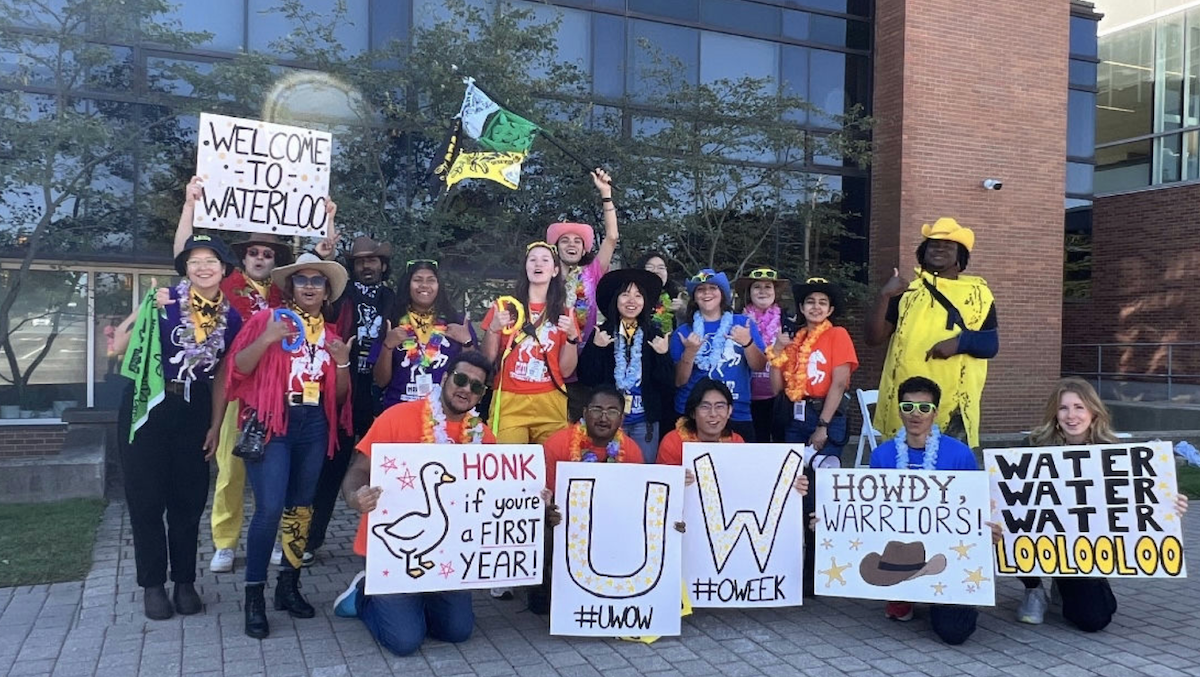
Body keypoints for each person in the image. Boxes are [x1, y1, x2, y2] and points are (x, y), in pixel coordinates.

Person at [333, 351, 497, 656]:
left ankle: (415, 601)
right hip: (393, 556)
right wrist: (355, 497)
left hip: (448, 557)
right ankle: (363, 595)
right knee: (405, 642)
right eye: (460, 380)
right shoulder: (397, 417)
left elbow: (494, 495)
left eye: (477, 387)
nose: (466, 390)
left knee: (457, 631)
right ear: (445, 379)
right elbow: (357, 471)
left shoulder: (483, 437)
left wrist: (530, 498)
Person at [226, 253, 353, 639]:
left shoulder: (331, 337)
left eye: (318, 281)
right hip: (273, 422)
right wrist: (266, 340)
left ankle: (288, 585)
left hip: (313, 425)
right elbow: (237, 368)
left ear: (327, 290)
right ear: (291, 287)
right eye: (303, 280)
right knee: (269, 509)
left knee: (301, 509)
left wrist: (344, 363)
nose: (311, 286)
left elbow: (340, 400)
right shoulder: (268, 320)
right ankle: (254, 597)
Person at [119, 228, 242, 621]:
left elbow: (223, 374)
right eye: (195, 262)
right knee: (146, 499)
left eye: (211, 261)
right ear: (185, 269)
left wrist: (216, 423)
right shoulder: (165, 300)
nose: (203, 267)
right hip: (149, 404)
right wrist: (143, 308)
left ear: (223, 269)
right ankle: (153, 585)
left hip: (195, 406)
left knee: (188, 500)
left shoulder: (233, 316)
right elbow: (118, 346)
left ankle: (185, 581)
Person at [1005, 377, 1190, 630]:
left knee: (1095, 619)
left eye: (1079, 407)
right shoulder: (1032, 446)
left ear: (1093, 411)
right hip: (1044, 538)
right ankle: (1033, 588)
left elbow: (1134, 500)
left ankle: (1074, 579)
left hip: (1082, 547)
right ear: (1054, 413)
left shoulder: (1113, 450)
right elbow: (1010, 498)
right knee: (1006, 524)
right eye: (1063, 408)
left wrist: (1167, 505)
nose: (1071, 415)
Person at [303, 236, 398, 568]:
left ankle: (388, 543)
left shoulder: (394, 299)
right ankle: (310, 539)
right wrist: (317, 252)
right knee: (330, 469)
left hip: (382, 394)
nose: (367, 266)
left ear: (383, 266)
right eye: (360, 262)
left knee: (387, 471)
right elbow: (305, 283)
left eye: (373, 261)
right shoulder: (341, 295)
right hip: (345, 391)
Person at [866, 217, 998, 448]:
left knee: (952, 474)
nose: (939, 248)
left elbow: (990, 344)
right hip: (907, 404)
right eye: (933, 244)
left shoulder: (979, 295)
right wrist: (884, 296)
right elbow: (873, 338)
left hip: (954, 404)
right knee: (903, 473)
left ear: (960, 258)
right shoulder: (906, 293)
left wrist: (959, 343)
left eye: (948, 245)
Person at [867, 376, 980, 645]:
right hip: (901, 548)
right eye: (908, 407)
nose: (915, 414)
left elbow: (974, 507)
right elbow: (870, 512)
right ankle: (904, 591)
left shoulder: (960, 455)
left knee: (955, 633)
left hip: (949, 553)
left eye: (924, 408)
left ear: (936, 413)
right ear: (899, 411)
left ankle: (936, 595)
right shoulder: (882, 456)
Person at [208, 230, 293, 574]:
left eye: (268, 254)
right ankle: (225, 542)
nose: (260, 258)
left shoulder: (284, 293)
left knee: (273, 468)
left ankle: (273, 536)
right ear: (243, 259)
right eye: (254, 253)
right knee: (231, 470)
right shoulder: (224, 288)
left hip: (274, 391)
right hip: (235, 389)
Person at [536, 385, 647, 613]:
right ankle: (543, 587)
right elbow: (543, 495)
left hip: (612, 527)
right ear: (585, 413)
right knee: (542, 530)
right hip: (567, 525)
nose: (604, 417)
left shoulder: (632, 451)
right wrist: (548, 512)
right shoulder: (558, 444)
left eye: (612, 411)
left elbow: (637, 504)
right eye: (597, 409)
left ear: (621, 417)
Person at [481, 241, 580, 444]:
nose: (538, 264)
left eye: (545, 260)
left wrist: (571, 338)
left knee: (552, 466)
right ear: (525, 268)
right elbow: (487, 359)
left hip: (550, 399)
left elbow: (566, 371)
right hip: (509, 399)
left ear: (554, 271)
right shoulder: (504, 307)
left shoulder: (566, 313)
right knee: (509, 466)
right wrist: (493, 329)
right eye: (532, 260)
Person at [578, 268, 675, 462]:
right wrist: (597, 348)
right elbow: (586, 378)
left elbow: (667, 385)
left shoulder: (654, 335)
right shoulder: (602, 333)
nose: (632, 301)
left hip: (644, 422)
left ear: (645, 302)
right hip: (608, 422)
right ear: (616, 299)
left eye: (638, 295)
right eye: (625, 294)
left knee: (642, 473)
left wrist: (663, 356)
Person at [548, 168, 619, 420]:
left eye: (577, 241)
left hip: (583, 366)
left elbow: (611, 238)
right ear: (554, 248)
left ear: (584, 248)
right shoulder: (545, 276)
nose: (571, 244)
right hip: (548, 366)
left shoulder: (592, 273)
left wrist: (606, 194)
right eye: (564, 240)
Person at [769, 277, 858, 463]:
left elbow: (840, 383)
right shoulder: (795, 341)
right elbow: (777, 389)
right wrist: (776, 351)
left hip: (826, 415)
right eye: (810, 302)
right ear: (802, 308)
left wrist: (823, 425)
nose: (816, 307)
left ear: (830, 310)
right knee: (794, 478)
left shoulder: (838, 334)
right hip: (796, 416)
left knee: (822, 480)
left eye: (822, 302)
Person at [670, 269, 766, 441]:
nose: (707, 293)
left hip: (737, 411)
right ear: (694, 297)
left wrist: (747, 343)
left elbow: (759, 366)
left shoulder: (744, 324)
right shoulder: (683, 332)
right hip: (692, 413)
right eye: (701, 289)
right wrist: (690, 353)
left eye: (713, 288)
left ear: (722, 294)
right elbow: (679, 381)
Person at [370, 259, 475, 410]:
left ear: (439, 286)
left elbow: (472, 376)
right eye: (417, 280)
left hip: (444, 412)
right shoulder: (393, 322)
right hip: (398, 410)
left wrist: (467, 342)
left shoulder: (456, 323)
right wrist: (387, 347)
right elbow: (380, 381)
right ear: (408, 285)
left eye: (431, 280)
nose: (424, 285)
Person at [735, 267, 794, 443]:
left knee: (780, 447)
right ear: (749, 292)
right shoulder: (737, 321)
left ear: (775, 292)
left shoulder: (788, 322)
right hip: (748, 398)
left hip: (779, 397)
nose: (762, 291)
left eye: (768, 287)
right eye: (757, 287)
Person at [657, 378, 744, 466]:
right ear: (693, 412)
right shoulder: (673, 442)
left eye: (719, 406)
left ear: (729, 411)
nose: (713, 414)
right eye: (705, 407)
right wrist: (680, 476)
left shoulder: (736, 442)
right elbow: (665, 477)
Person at [637, 250, 687, 335]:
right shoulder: (632, 298)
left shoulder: (677, 296)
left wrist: (682, 312)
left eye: (661, 268)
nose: (656, 271)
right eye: (650, 267)